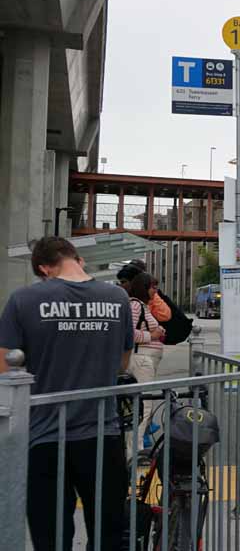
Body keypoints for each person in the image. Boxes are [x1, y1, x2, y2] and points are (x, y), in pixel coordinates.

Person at [0, 236, 132, 551]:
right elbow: (122, 362)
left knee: (52, 536)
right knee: (108, 534)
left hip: (43, 435)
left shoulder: (23, 300)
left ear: (44, 268)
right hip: (103, 432)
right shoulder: (117, 298)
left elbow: (5, 370)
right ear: (79, 259)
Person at [124, 271, 166, 452]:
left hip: (143, 360)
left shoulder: (141, 306)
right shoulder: (135, 305)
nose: (155, 291)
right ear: (144, 288)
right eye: (153, 287)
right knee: (143, 407)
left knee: (141, 407)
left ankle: (133, 448)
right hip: (141, 361)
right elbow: (129, 333)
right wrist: (153, 335)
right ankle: (134, 450)